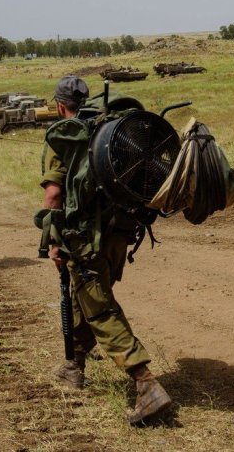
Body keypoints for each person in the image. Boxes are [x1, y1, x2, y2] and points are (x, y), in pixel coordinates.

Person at [41, 75, 172, 424]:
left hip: (86, 240)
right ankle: (74, 365)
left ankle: (145, 384)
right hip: (121, 235)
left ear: (59, 105)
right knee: (88, 298)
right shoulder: (114, 131)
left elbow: (54, 195)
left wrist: (54, 241)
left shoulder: (66, 137)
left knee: (98, 308)